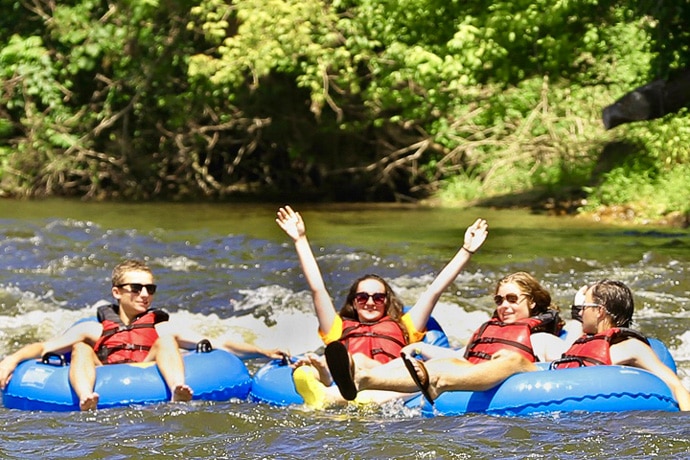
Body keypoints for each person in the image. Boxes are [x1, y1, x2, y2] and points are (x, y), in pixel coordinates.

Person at [361, 279, 690, 411]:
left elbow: (673, 382)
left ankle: (439, 382)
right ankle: (365, 379)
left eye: (584, 307)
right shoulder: (581, 341)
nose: (579, 313)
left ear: (600, 312)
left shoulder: (630, 346)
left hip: (569, 392)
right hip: (548, 380)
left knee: (514, 359)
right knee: (491, 361)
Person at [0, 259, 287, 411]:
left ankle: (178, 390)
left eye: (150, 288)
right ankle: (86, 396)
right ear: (117, 292)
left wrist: (263, 352)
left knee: (166, 341)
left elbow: (219, 344)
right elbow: (43, 347)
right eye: (136, 288)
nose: (145, 294)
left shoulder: (161, 326)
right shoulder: (94, 328)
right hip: (105, 371)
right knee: (81, 349)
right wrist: (10, 360)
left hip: (150, 362)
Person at [275, 205, 489, 408]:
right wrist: (300, 239)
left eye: (378, 297)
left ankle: (331, 392)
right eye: (363, 297)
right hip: (342, 373)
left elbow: (435, 290)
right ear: (353, 302)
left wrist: (466, 250)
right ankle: (321, 374)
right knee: (320, 363)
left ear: (387, 301)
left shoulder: (406, 324)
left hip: (386, 373)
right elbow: (317, 289)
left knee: (360, 361)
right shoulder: (337, 327)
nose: (370, 302)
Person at [326, 271, 569, 404]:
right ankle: (360, 376)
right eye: (499, 300)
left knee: (509, 357)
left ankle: (362, 384)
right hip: (475, 377)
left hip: (520, 381)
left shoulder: (542, 339)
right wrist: (419, 346)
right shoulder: (487, 329)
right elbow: (460, 358)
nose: (503, 306)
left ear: (533, 302)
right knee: (442, 364)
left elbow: (566, 369)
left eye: (512, 299)